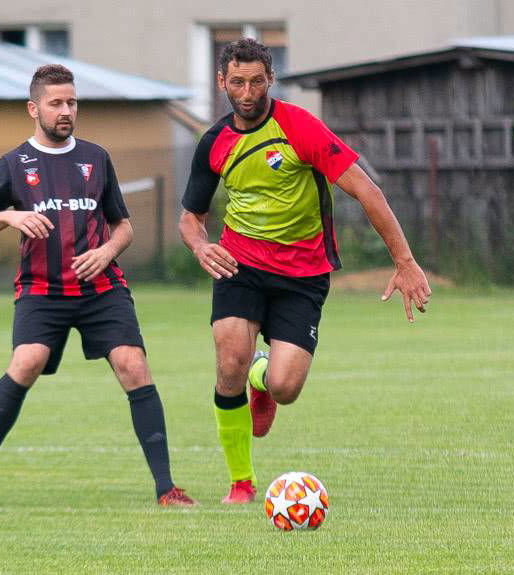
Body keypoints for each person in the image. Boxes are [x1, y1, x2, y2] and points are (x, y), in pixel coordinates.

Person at [179, 39, 431, 503]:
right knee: (227, 363)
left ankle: (264, 379)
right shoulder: (214, 142)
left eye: (257, 81)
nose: (248, 91)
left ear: (271, 79)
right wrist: (200, 246)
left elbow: (367, 191)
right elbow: (191, 216)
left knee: (285, 386)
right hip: (240, 264)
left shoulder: (300, 128)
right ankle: (241, 482)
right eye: (237, 82)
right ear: (222, 83)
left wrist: (405, 261)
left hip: (303, 274)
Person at [0, 64, 195, 508]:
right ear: (34, 108)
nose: (66, 111)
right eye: (56, 103)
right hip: (42, 289)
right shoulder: (14, 163)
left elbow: (124, 227)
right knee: (27, 362)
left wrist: (107, 251)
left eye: (71, 102)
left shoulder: (96, 159)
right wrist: (9, 216)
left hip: (102, 288)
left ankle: (167, 489)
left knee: (133, 366)